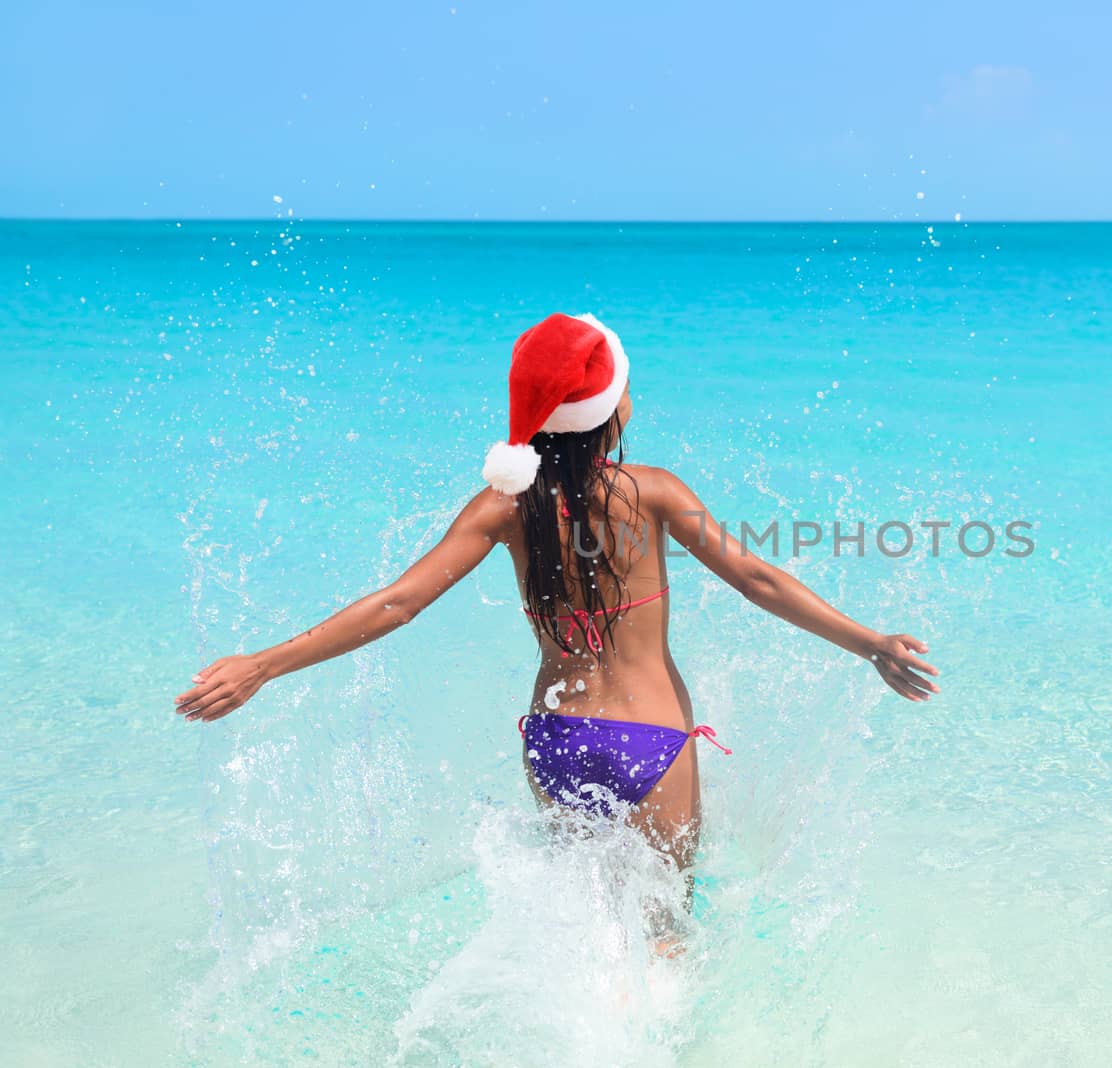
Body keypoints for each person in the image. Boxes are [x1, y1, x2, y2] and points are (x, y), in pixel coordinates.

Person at [174, 312, 939, 877]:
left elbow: (396, 604)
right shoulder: (655, 493)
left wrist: (265, 665)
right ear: (617, 410)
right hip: (650, 741)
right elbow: (760, 580)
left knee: (587, 927)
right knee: (667, 929)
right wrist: (870, 642)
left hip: (557, 741)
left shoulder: (502, 507)